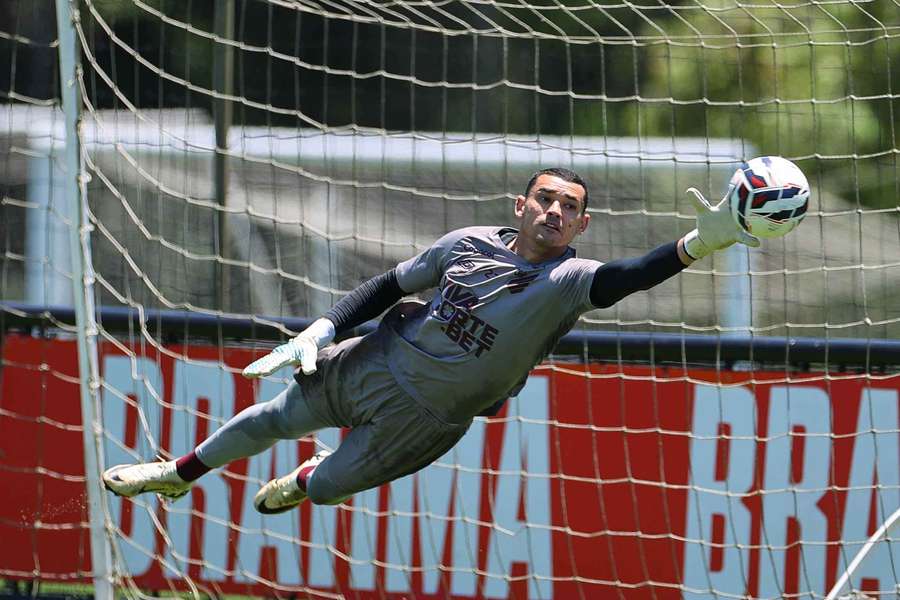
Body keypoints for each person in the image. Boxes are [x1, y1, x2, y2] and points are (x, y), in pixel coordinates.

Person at [102, 167, 758, 513]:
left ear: (581, 224)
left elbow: (629, 276)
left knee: (327, 488)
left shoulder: (570, 279)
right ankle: (176, 474)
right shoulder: (465, 245)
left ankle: (307, 480)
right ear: (520, 206)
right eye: (546, 199)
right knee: (275, 415)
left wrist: (702, 242)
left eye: (569, 206)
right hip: (381, 359)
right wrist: (323, 328)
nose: (555, 210)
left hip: (430, 419)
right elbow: (390, 284)